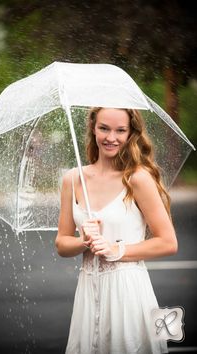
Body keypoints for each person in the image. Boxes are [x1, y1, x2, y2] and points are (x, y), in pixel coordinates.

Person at [55, 107, 178, 354]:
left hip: (127, 291)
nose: (112, 137)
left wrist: (115, 249)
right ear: (93, 128)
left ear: (131, 132)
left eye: (120, 130)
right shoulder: (72, 179)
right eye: (104, 128)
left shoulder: (138, 179)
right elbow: (61, 243)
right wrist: (84, 242)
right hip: (88, 291)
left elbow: (168, 242)